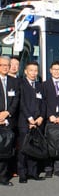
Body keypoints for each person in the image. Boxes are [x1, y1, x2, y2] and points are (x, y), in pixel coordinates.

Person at [18, 61, 45, 183]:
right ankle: (22, 174)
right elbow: (21, 103)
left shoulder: (40, 86)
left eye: (35, 70)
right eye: (31, 70)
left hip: (37, 123)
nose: (33, 73)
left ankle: (33, 172)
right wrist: (30, 118)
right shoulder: (21, 84)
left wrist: (41, 117)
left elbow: (44, 103)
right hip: (25, 122)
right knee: (23, 149)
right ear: (25, 71)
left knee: (34, 148)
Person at [0, 56, 20, 186]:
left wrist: (7, 112)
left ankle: (3, 177)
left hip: (9, 121)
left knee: (6, 150)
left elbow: (16, 99)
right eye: (2, 65)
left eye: (7, 65)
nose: (5, 67)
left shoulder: (13, 82)